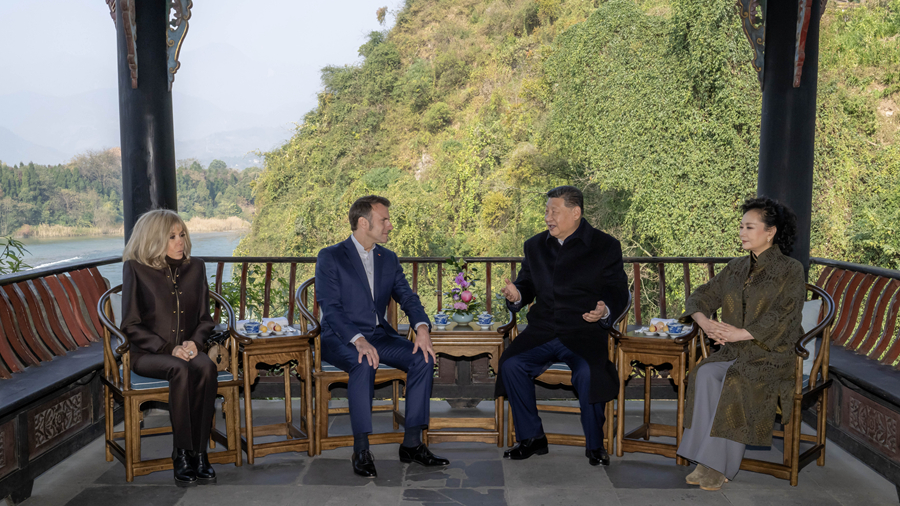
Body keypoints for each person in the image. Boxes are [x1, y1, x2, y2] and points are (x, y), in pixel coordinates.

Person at [315, 195, 449, 478]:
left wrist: (422, 328)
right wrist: (357, 339)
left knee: (423, 358)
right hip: (339, 338)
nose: (390, 225)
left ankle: (412, 444)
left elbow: (407, 297)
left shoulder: (387, 258)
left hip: (379, 335)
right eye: (384, 219)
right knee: (364, 362)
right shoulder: (331, 256)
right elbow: (331, 307)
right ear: (364, 223)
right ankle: (361, 449)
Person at [677, 197, 805, 491]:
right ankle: (703, 458)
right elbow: (701, 296)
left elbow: (784, 314)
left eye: (749, 227)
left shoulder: (791, 269)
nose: (742, 232)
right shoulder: (735, 268)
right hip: (734, 350)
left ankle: (718, 466)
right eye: (741, 226)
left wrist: (741, 333)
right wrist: (705, 322)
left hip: (772, 354)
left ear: (770, 232)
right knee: (704, 374)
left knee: (735, 380)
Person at [496, 186, 629, 467]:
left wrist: (605, 309)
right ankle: (532, 437)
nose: (548, 218)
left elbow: (618, 290)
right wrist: (517, 295)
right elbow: (526, 285)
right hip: (542, 331)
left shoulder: (605, 246)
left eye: (554, 212)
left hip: (584, 332)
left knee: (589, 372)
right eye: (546, 212)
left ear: (575, 212)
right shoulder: (534, 246)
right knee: (511, 364)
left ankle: (595, 445)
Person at [120, 209, 219, 487]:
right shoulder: (135, 269)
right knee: (179, 368)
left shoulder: (195, 267)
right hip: (148, 354)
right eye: (172, 237)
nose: (180, 242)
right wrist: (168, 348)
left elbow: (205, 319)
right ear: (153, 239)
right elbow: (130, 324)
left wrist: (194, 343)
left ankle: (199, 452)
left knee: (206, 367)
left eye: (182, 234)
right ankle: (182, 452)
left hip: (187, 351)